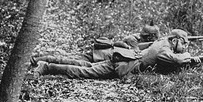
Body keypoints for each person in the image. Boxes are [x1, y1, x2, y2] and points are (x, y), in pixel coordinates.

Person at [33, 29, 200, 79]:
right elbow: (174, 60)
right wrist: (188, 58)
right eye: (183, 43)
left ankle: (46, 63)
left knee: (85, 66)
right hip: (124, 63)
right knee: (85, 71)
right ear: (174, 40)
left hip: (123, 58)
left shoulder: (162, 41)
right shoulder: (164, 49)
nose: (185, 47)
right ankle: (47, 67)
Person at [31, 22, 161, 66]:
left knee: (69, 59)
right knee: (69, 60)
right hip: (99, 56)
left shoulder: (143, 41)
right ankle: (39, 59)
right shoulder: (132, 39)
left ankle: (40, 59)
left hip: (100, 56)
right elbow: (134, 54)